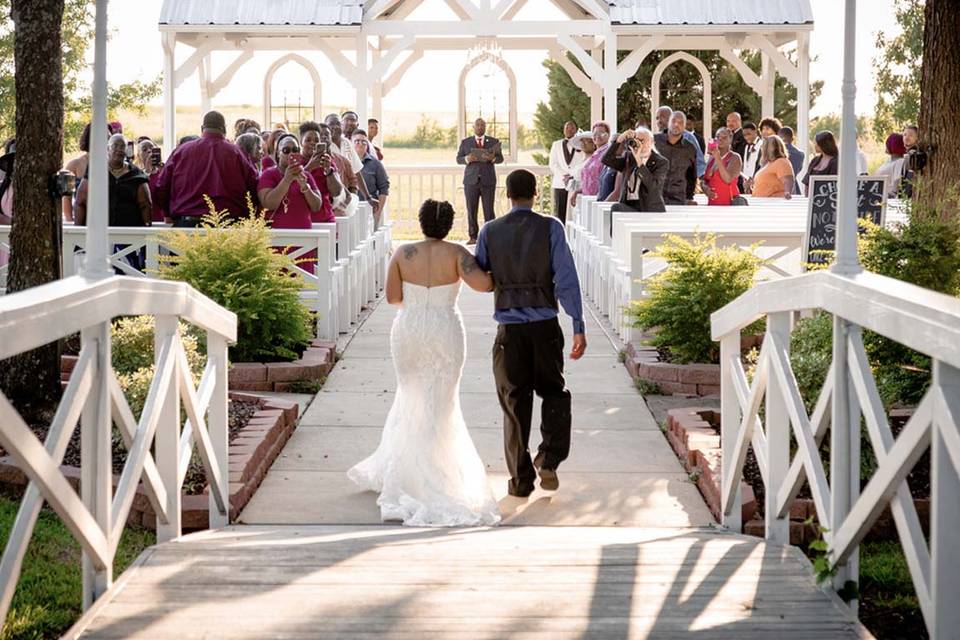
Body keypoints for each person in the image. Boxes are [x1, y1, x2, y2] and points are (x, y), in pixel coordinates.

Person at [348, 199, 500, 526]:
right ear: (448, 224)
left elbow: (392, 298)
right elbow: (485, 285)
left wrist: (419, 304)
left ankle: (408, 471)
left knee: (410, 396)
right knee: (442, 403)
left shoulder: (403, 253)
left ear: (420, 223)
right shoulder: (458, 253)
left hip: (410, 330)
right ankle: (439, 471)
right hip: (445, 329)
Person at [475, 169, 586, 497]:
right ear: (535, 193)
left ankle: (521, 481)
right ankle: (549, 458)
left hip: (510, 331)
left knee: (514, 404)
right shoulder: (552, 227)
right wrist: (578, 325)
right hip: (545, 328)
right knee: (555, 392)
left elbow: (481, 276)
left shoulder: (490, 231)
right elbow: (566, 278)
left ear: (506, 195)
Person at [153, 110, 259, 226]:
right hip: (228, 227)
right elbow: (254, 186)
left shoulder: (181, 151)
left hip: (188, 226)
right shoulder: (237, 153)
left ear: (202, 128)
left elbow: (162, 187)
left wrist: (167, 213)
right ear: (224, 129)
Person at [257, 133, 324, 233]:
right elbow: (268, 204)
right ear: (278, 153)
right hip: (276, 239)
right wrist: (287, 180)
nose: (291, 154)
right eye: (286, 150)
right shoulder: (269, 174)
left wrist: (305, 187)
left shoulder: (306, 175)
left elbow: (316, 206)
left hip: (304, 239)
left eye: (295, 150)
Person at [456, 117, 503, 244]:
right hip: (471, 181)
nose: (480, 127)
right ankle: (473, 237)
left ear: (485, 127)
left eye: (482, 125)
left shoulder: (494, 142)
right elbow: (458, 159)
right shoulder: (466, 142)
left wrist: (493, 159)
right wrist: (466, 159)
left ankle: (490, 237)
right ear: (473, 127)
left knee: (489, 210)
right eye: (477, 125)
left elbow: (500, 159)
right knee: (471, 209)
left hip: (488, 181)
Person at [601, 127, 668, 215]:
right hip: (630, 205)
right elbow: (606, 160)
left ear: (652, 142)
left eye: (642, 140)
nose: (639, 144)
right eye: (636, 140)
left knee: (616, 208)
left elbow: (653, 187)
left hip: (648, 208)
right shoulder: (629, 158)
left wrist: (639, 161)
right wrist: (620, 139)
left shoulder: (661, 162)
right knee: (616, 209)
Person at [298, 121, 345, 222]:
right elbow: (291, 186)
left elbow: (336, 192)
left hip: (324, 217)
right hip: (301, 217)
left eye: (316, 140)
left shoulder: (327, 161)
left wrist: (328, 171)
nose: (312, 143)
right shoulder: (295, 161)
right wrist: (309, 167)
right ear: (301, 142)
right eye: (308, 140)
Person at [654, 110, 698, 205]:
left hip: (678, 200)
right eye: (673, 121)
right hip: (654, 198)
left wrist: (688, 197)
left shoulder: (690, 148)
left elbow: (691, 177)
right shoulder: (654, 141)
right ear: (669, 122)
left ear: (685, 126)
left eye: (680, 122)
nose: (676, 124)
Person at [353, 129, 390, 228]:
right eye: (357, 141)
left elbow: (384, 188)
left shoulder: (376, 164)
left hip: (368, 212)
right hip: (350, 212)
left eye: (364, 141)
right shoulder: (345, 162)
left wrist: (377, 214)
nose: (360, 144)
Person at [548, 120, 582, 224]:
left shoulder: (581, 144)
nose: (569, 129)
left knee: (575, 212)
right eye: (567, 127)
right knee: (559, 212)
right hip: (560, 183)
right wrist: (564, 174)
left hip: (575, 183)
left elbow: (582, 161)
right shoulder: (556, 144)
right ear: (563, 130)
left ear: (576, 130)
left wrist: (572, 175)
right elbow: (553, 164)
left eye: (572, 127)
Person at [656, 105, 705, 176]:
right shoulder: (656, 140)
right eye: (657, 118)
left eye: (662, 117)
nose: (659, 121)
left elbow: (699, 163)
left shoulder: (688, 137)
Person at [701, 127, 743, 206]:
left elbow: (728, 179)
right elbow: (705, 180)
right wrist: (705, 188)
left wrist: (718, 158)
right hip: (712, 205)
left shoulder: (734, 157)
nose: (720, 139)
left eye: (724, 137)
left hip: (729, 205)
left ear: (730, 140)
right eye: (717, 136)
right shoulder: (711, 158)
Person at [135, 137, 168, 223]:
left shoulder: (164, 171)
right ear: (138, 155)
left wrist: (162, 172)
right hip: (146, 220)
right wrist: (147, 171)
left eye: (151, 148)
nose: (149, 151)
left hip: (162, 220)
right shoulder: (136, 175)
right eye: (144, 150)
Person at [751, 135, 794, 199]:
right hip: (762, 203)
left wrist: (787, 192)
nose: (762, 149)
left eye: (764, 146)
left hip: (774, 203)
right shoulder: (769, 164)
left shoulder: (781, 161)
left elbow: (788, 179)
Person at [801, 130, 840, 195]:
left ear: (823, 144)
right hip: (810, 199)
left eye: (816, 143)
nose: (814, 145)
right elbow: (807, 181)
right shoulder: (815, 160)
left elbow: (833, 185)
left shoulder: (836, 162)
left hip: (827, 200)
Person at [874, 133, 907, 198]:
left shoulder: (900, 162)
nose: (886, 146)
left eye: (887, 144)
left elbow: (896, 184)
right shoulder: (889, 160)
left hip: (885, 198)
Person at [779, 126, 805, 195]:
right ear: (792, 138)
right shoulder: (801, 154)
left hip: (779, 189)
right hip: (795, 188)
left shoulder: (778, 153)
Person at [740, 122, 762, 193]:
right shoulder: (746, 147)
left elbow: (761, 165)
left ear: (755, 131)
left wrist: (753, 180)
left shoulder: (762, 144)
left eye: (749, 134)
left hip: (757, 182)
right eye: (744, 135)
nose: (746, 137)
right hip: (747, 184)